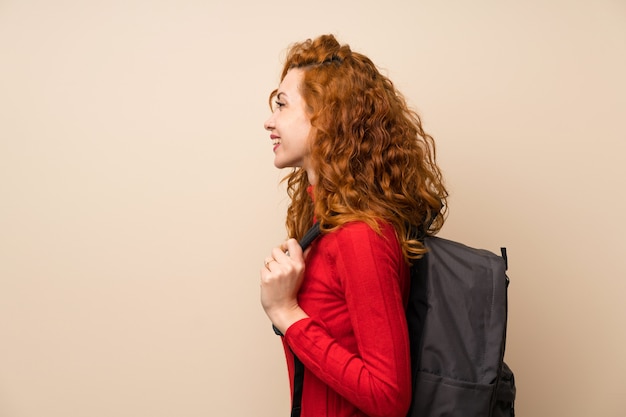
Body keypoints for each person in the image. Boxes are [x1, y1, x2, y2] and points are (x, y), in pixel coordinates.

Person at [259, 34, 448, 417]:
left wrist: (287, 313)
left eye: (282, 104)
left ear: (326, 116)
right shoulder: (323, 221)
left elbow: (389, 396)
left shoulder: (360, 236)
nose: (269, 121)